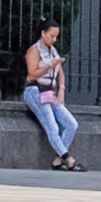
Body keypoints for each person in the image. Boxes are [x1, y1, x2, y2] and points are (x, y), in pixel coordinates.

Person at [23, 22, 82, 169]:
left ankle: (58, 159)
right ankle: (68, 159)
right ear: (43, 34)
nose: (54, 39)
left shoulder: (52, 51)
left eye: (56, 36)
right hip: (35, 91)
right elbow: (32, 74)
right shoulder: (34, 51)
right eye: (51, 36)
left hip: (50, 92)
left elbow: (60, 72)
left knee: (71, 124)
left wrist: (61, 89)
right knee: (52, 126)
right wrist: (50, 65)